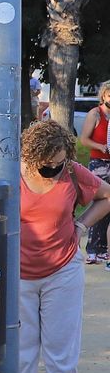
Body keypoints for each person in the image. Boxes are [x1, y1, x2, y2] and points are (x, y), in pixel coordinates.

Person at [17, 120, 110, 373]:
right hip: (20, 272)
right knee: (22, 343)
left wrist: (82, 225)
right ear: (32, 157)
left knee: (61, 341)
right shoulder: (12, 173)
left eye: (58, 164)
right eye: (47, 165)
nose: (52, 170)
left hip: (63, 268)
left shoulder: (71, 172)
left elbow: (106, 196)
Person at [79, 81, 110, 263]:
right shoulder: (95, 113)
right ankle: (92, 248)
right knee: (99, 204)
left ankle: (104, 248)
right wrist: (100, 146)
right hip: (98, 163)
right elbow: (83, 139)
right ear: (103, 96)